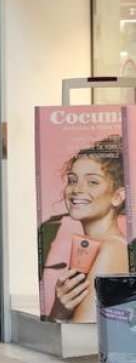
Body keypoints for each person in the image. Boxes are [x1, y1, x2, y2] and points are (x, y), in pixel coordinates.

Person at [47, 136, 129, 322]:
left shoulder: (111, 249)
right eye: (72, 180)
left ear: (118, 196)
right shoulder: (92, 248)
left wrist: (58, 315)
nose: (77, 189)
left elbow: (83, 342)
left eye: (92, 182)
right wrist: (59, 311)